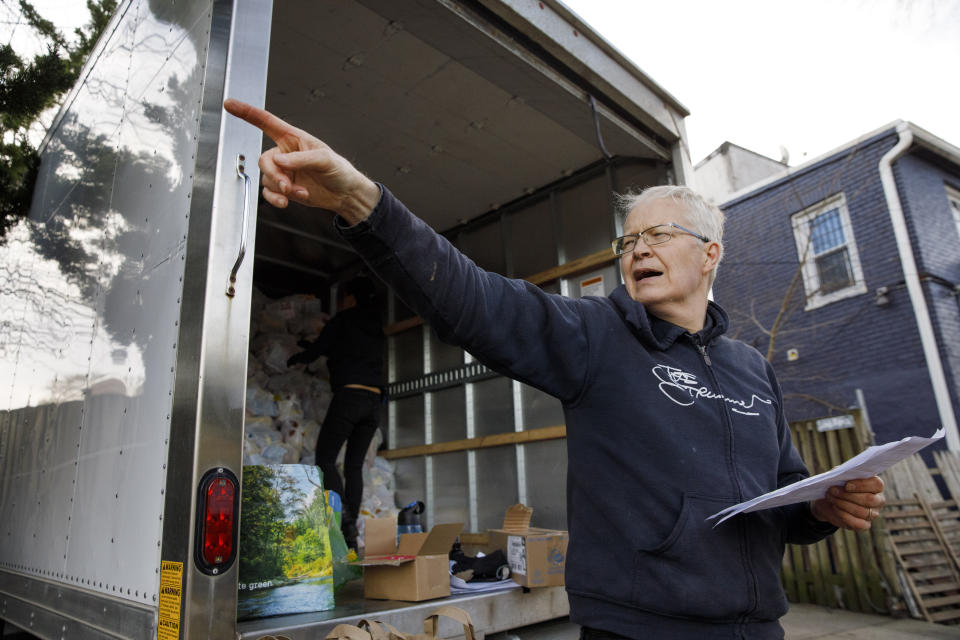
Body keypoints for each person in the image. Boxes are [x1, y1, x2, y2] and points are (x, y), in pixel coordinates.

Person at [224, 98, 886, 639]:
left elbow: (786, 506)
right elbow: (474, 300)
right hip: (637, 632)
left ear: (710, 254)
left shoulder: (751, 371)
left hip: (758, 629)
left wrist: (825, 507)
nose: (637, 249)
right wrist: (361, 203)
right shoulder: (599, 335)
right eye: (629, 241)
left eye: (658, 236)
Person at [287, 275, 385, 549]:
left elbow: (317, 351)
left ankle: (344, 520)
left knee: (326, 459)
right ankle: (351, 531)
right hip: (374, 403)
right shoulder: (375, 327)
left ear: (350, 297)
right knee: (354, 466)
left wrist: (296, 356)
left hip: (350, 397)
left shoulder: (343, 320)